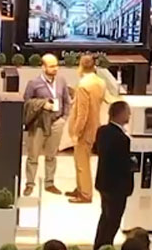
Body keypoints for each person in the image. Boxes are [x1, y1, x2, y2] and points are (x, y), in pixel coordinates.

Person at [22, 53, 69, 195]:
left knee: (51, 156)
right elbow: (26, 102)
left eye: (56, 65)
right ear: (43, 67)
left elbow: (66, 100)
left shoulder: (61, 81)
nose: (55, 68)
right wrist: (42, 104)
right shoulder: (33, 83)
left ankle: (50, 183)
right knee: (33, 156)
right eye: (52, 66)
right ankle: (30, 184)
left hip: (57, 122)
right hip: (39, 124)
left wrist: (64, 118)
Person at [93, 100, 134, 250]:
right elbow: (122, 164)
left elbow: (97, 150)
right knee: (112, 222)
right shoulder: (122, 139)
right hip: (117, 187)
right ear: (120, 114)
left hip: (104, 183)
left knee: (105, 219)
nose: (129, 115)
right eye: (127, 112)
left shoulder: (102, 131)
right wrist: (132, 162)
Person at [67, 55, 106, 203]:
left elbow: (82, 113)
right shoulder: (100, 82)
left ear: (81, 66)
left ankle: (85, 193)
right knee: (81, 160)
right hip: (95, 125)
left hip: (84, 129)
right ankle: (80, 188)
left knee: (82, 163)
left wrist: (76, 132)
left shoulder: (84, 85)